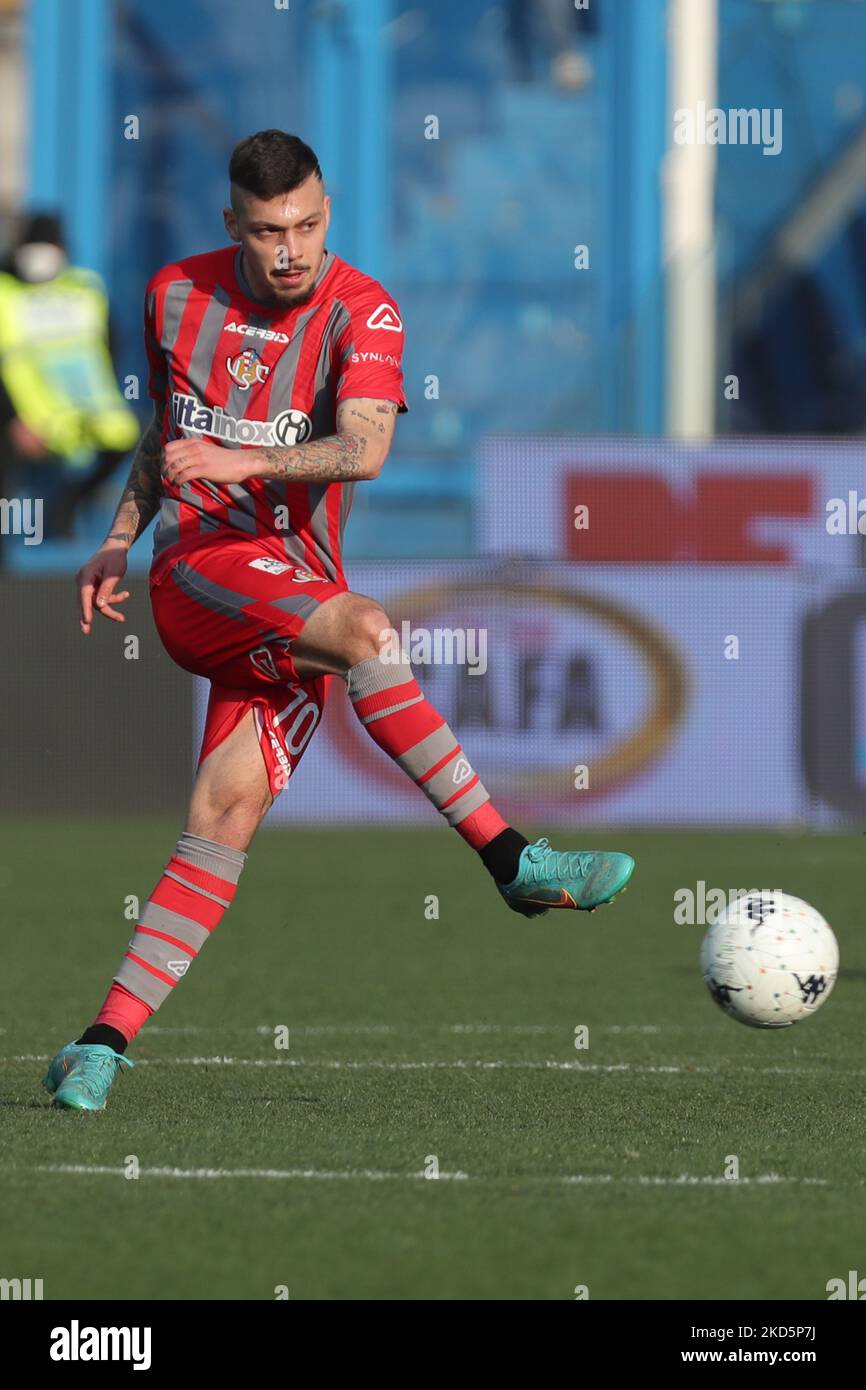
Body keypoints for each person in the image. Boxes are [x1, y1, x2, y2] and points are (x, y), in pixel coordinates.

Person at [42, 130, 634, 1112]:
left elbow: (362, 448)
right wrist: (119, 534)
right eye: (269, 231)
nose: (290, 250)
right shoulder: (171, 295)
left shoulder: (365, 310)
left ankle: (97, 1044)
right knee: (367, 631)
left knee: (223, 816)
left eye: (308, 226)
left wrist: (245, 461)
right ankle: (511, 857)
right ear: (231, 223)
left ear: (327, 215)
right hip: (198, 576)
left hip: (292, 595)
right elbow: (166, 434)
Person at [0, 212, 138, 550]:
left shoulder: (84, 288)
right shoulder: (5, 290)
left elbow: (110, 344)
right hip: (21, 417)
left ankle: (73, 508)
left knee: (130, 438)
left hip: (81, 410)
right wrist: (11, 421)